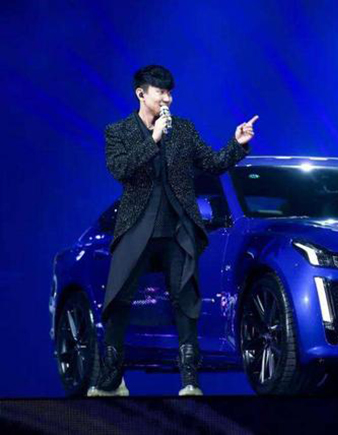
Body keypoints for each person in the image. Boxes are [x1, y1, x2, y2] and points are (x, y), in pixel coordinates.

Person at [88, 65, 258, 396]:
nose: (167, 99)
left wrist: (236, 144)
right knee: (119, 299)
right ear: (141, 94)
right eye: (160, 92)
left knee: (185, 301)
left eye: (170, 93)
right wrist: (153, 139)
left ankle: (190, 382)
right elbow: (120, 170)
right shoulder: (118, 131)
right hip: (137, 227)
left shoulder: (183, 130)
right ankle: (111, 380)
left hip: (178, 228)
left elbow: (212, 163)